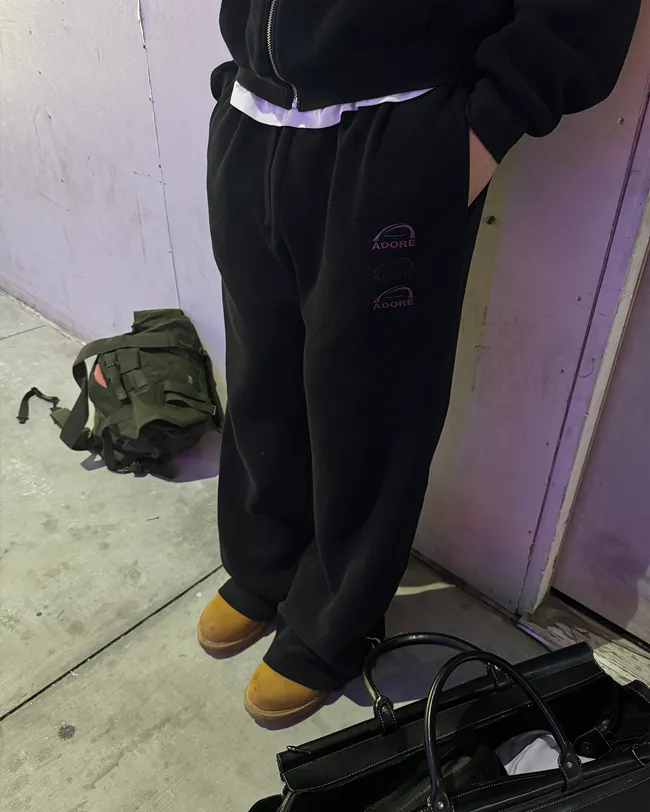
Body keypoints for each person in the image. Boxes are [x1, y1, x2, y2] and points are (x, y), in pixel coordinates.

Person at [198, 0, 640, 728]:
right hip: (254, 114)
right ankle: (265, 564)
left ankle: (333, 627)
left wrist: (486, 127)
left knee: (368, 406)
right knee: (259, 374)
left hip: (393, 131)